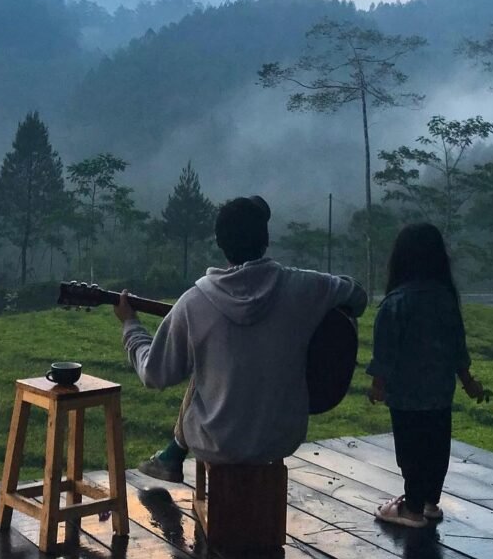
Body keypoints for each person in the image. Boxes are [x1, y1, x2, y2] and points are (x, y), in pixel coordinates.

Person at [114, 195, 367, 481]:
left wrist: (131, 325)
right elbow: (357, 295)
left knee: (205, 369)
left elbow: (154, 374)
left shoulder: (193, 302)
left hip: (216, 443)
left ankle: (172, 455)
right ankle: (172, 456)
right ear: (266, 239)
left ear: (220, 243)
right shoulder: (306, 286)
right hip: (282, 437)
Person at [366, 222, 484, 528]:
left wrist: (378, 385)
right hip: (439, 393)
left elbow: (385, 352)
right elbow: (458, 346)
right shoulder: (445, 299)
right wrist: (468, 382)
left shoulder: (395, 304)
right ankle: (430, 501)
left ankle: (412, 508)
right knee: (436, 448)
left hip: (405, 395)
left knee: (410, 451)